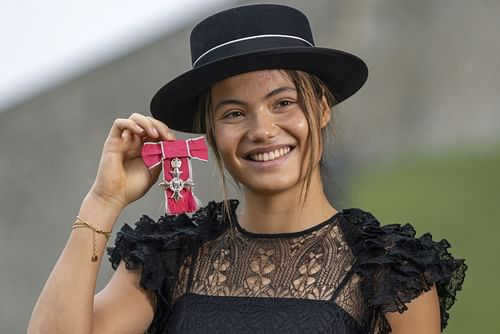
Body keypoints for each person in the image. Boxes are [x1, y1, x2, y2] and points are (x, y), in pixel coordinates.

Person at [28, 4, 466, 334]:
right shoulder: (172, 256)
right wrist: (103, 201)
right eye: (234, 113)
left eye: (283, 103)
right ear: (210, 132)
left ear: (322, 108)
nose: (263, 130)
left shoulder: (390, 270)